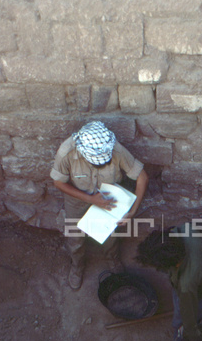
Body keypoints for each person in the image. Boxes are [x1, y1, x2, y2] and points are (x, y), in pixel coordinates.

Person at [51, 121, 149, 290]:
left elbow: (142, 177)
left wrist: (132, 211)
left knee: (110, 234)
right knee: (75, 237)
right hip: (77, 199)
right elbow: (58, 183)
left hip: (108, 199)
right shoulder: (67, 152)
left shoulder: (115, 149)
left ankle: (112, 259)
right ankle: (77, 265)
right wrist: (90, 199)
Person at [136, 224, 202, 341]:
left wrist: (187, 330)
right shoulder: (186, 229)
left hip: (198, 290)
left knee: (184, 317)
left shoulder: (186, 284)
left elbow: (188, 317)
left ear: (174, 264)